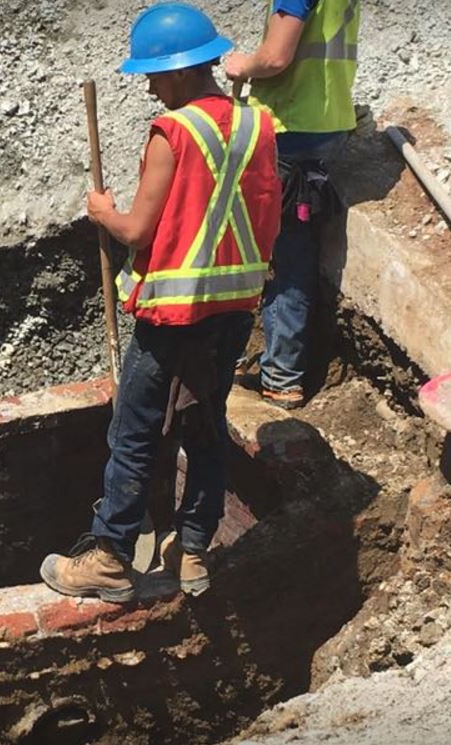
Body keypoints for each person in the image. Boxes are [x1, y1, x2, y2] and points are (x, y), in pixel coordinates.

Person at [39, 3, 282, 602]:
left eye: (152, 74)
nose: (148, 85)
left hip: (172, 315)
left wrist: (102, 212)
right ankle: (192, 552)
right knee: (205, 428)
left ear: (179, 72)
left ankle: (109, 558)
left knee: (135, 432)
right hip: (233, 309)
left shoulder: (173, 131)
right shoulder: (258, 125)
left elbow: (138, 231)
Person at [225, 0, 360, 409]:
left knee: (274, 251)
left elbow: (275, 56)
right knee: (294, 246)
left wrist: (242, 64)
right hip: (329, 122)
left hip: (289, 127)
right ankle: (282, 370)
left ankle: (278, 374)